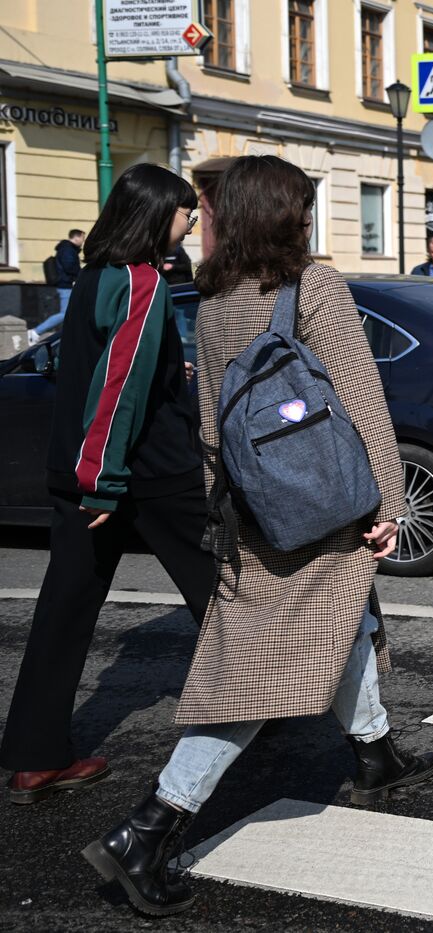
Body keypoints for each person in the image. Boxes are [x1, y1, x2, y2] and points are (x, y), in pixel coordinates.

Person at [81, 156, 433, 917]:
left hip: (259, 506)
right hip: (326, 505)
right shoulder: (315, 286)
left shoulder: (214, 299)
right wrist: (388, 501)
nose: (310, 217)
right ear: (284, 214)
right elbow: (362, 400)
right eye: (304, 205)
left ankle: (375, 752)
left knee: (342, 618)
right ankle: (150, 828)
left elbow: (212, 422)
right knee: (257, 673)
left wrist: (234, 505)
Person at [1, 166, 212, 805]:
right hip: (144, 473)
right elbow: (117, 387)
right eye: (184, 211)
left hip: (78, 470)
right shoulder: (140, 279)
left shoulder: (93, 275)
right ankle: (270, 705)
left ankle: (36, 758)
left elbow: (97, 364)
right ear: (156, 214)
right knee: (222, 591)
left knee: (63, 612)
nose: (191, 221)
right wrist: (103, 481)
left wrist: (169, 370)